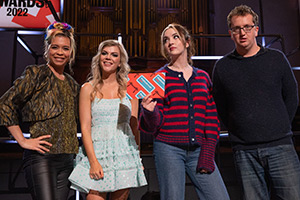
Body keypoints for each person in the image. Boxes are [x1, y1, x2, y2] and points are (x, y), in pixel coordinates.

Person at [212, 5, 300, 200]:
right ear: (231, 33)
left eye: (247, 27)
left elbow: (292, 96)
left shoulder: (276, 59)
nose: (242, 33)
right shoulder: (223, 67)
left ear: (256, 30)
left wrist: (280, 125)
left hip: (280, 146)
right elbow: (221, 106)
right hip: (244, 151)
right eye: (237, 28)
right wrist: (239, 131)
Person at [139, 23, 229, 200]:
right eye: (166, 40)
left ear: (187, 42)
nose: (170, 42)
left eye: (175, 37)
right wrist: (150, 112)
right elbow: (152, 126)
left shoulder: (203, 77)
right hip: (168, 150)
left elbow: (210, 117)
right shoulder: (159, 77)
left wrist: (208, 152)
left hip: (199, 150)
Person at [0, 21, 80, 200]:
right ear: (47, 49)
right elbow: (5, 104)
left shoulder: (72, 84)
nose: (60, 52)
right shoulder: (36, 74)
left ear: (71, 52)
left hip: (67, 160)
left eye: (65, 48)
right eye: (55, 47)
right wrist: (22, 140)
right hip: (42, 158)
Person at [68, 39, 147, 200]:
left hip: (125, 154)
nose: (108, 57)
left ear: (120, 62)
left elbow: (134, 125)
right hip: (97, 153)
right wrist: (93, 161)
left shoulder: (130, 87)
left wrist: (137, 158)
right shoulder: (87, 88)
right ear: (99, 58)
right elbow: (85, 128)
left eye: (114, 55)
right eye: (104, 53)